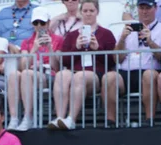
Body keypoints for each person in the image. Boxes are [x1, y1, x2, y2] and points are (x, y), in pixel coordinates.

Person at [49, 0, 117, 130]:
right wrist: (76, 47)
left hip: (96, 74)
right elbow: (65, 62)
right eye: (85, 11)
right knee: (61, 75)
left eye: (91, 11)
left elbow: (112, 62)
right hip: (74, 71)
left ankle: (71, 119)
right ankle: (59, 117)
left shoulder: (106, 33)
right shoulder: (72, 35)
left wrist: (98, 48)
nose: (88, 14)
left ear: (97, 12)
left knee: (80, 76)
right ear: (81, 12)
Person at [102, 0, 161, 127]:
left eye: (148, 8)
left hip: (151, 70)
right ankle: (110, 122)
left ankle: (149, 120)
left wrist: (150, 42)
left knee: (148, 75)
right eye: (141, 8)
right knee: (109, 77)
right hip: (127, 71)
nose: (144, 11)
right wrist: (122, 39)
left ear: (155, 8)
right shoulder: (128, 29)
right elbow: (117, 59)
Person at [7, 7, 64, 131]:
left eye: (42, 23)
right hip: (31, 74)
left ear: (48, 23)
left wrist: (49, 48)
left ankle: (28, 117)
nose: (39, 26)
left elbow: (57, 67)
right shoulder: (27, 42)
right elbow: (23, 66)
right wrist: (34, 49)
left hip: (49, 75)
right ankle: (14, 118)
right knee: (14, 75)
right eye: (36, 23)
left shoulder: (58, 39)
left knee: (27, 73)